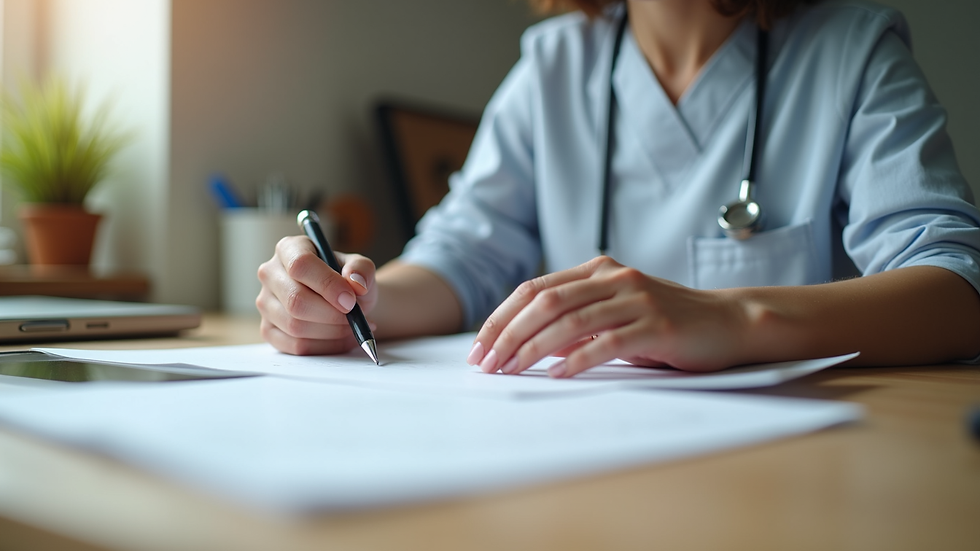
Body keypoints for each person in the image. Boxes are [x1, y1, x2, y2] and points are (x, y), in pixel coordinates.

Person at [257, 0, 980, 377]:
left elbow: (957, 290)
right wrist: (357, 300)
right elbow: (460, 257)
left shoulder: (854, 53)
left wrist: (734, 319)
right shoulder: (553, 67)